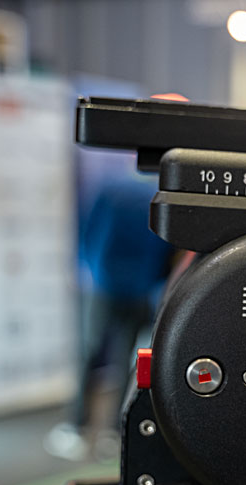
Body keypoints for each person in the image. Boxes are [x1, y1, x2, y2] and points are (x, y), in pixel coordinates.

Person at [45, 175, 173, 461]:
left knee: (89, 354)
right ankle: (115, 432)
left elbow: (88, 231)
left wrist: (85, 269)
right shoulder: (159, 196)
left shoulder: (110, 188)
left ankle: (77, 428)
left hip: (103, 285)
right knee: (124, 360)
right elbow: (167, 248)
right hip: (141, 289)